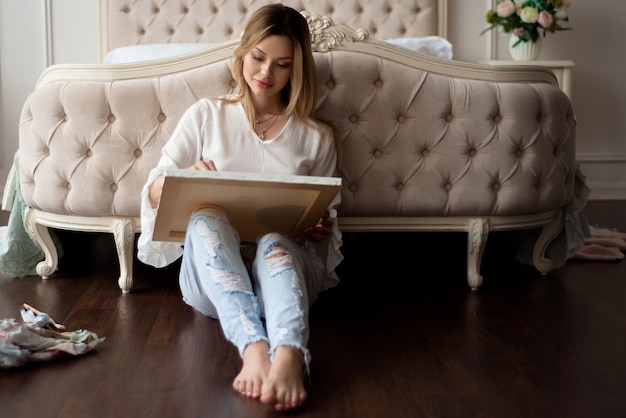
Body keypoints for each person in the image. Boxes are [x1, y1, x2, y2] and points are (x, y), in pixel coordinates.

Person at [136, 4, 342, 412]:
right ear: (242, 54)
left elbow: (330, 217)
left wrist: (321, 223)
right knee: (206, 219)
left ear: (297, 69)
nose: (266, 73)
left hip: (287, 277)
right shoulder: (207, 115)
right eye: (258, 58)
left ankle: (288, 354)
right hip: (212, 283)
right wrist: (184, 178)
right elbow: (153, 190)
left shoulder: (317, 136)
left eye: (282, 65)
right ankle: (253, 346)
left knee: (274, 239)